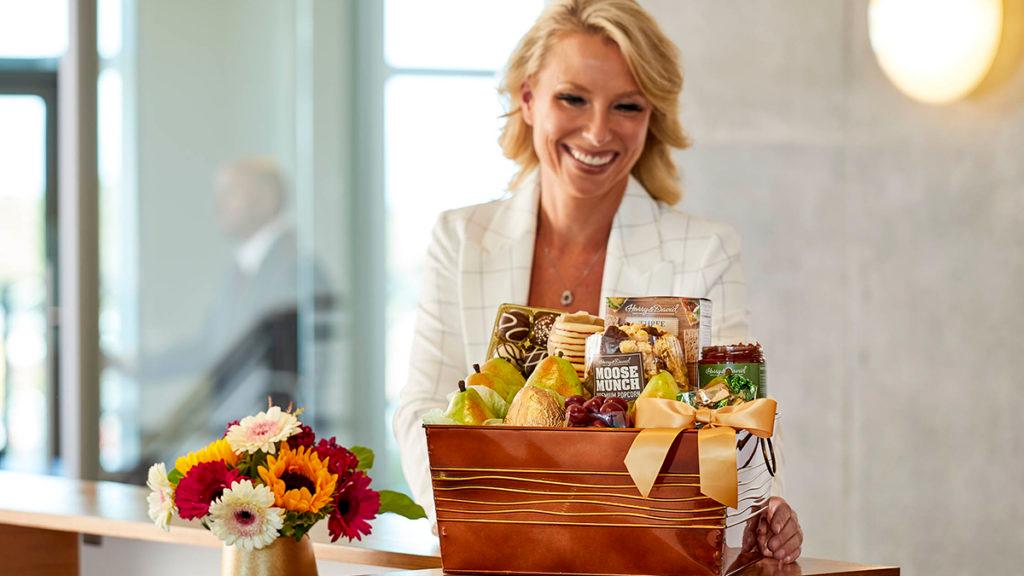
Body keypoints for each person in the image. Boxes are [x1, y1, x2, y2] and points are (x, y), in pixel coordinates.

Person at [393, 0, 802, 564]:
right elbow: (420, 406)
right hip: (495, 559)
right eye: (573, 98)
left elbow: (730, 414)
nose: (597, 129)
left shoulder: (704, 250)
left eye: (626, 106)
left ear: (650, 117)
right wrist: (475, 518)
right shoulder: (460, 238)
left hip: (643, 562)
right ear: (528, 98)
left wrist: (762, 508)